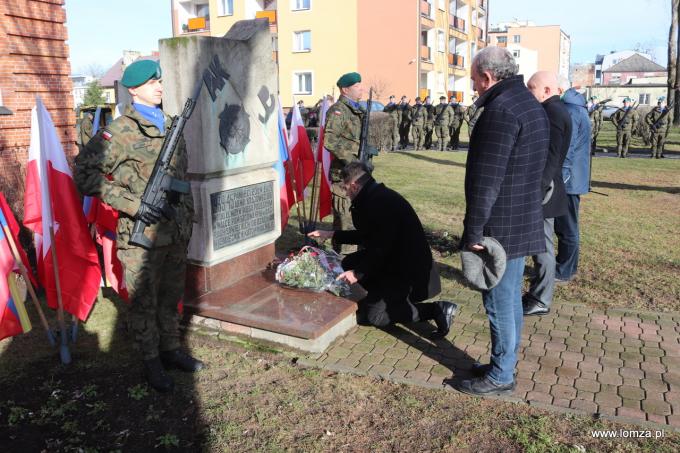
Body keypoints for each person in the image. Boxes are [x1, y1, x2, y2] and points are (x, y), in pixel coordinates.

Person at [74, 59, 202, 393]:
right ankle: (151, 361)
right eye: (150, 83)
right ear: (133, 89)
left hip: (175, 229)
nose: (159, 86)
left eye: (159, 80)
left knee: (171, 294)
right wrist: (133, 204)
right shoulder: (117, 132)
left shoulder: (172, 124)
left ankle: (171, 350)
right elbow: (85, 175)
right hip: (141, 235)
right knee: (144, 300)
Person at [455, 47, 549, 396]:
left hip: (500, 227)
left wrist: (474, 232)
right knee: (508, 300)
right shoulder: (527, 103)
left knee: (499, 301)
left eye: (474, 79)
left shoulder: (501, 110)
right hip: (521, 217)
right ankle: (502, 363)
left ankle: (500, 376)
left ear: (487, 76)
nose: (474, 86)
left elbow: (486, 180)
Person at [308, 162, 457, 336]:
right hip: (393, 261)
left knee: (371, 316)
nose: (346, 193)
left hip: (408, 272)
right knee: (348, 262)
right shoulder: (374, 197)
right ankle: (383, 297)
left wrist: (357, 274)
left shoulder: (381, 203)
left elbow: (381, 248)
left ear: (355, 186)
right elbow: (369, 235)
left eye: (346, 188)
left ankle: (436, 310)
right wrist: (332, 234)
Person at [523, 72, 573, 316]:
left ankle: (541, 298)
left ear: (545, 90)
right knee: (539, 244)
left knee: (541, 246)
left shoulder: (553, 113)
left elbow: (551, 157)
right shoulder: (556, 109)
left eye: (531, 88)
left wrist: (537, 189)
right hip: (546, 188)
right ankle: (538, 292)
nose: (528, 93)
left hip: (545, 191)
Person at [324, 72, 366, 253]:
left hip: (359, 175)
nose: (361, 89)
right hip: (344, 176)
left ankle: (356, 256)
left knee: (359, 218)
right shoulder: (338, 111)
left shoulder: (356, 110)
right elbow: (330, 141)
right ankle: (343, 260)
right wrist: (353, 162)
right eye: (357, 86)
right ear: (345, 89)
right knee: (345, 221)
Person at [554, 86, 591, 283]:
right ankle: (566, 265)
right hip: (573, 177)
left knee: (567, 227)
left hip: (568, 179)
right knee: (567, 226)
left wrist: (563, 176)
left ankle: (565, 270)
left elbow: (567, 147)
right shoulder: (578, 108)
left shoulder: (570, 110)